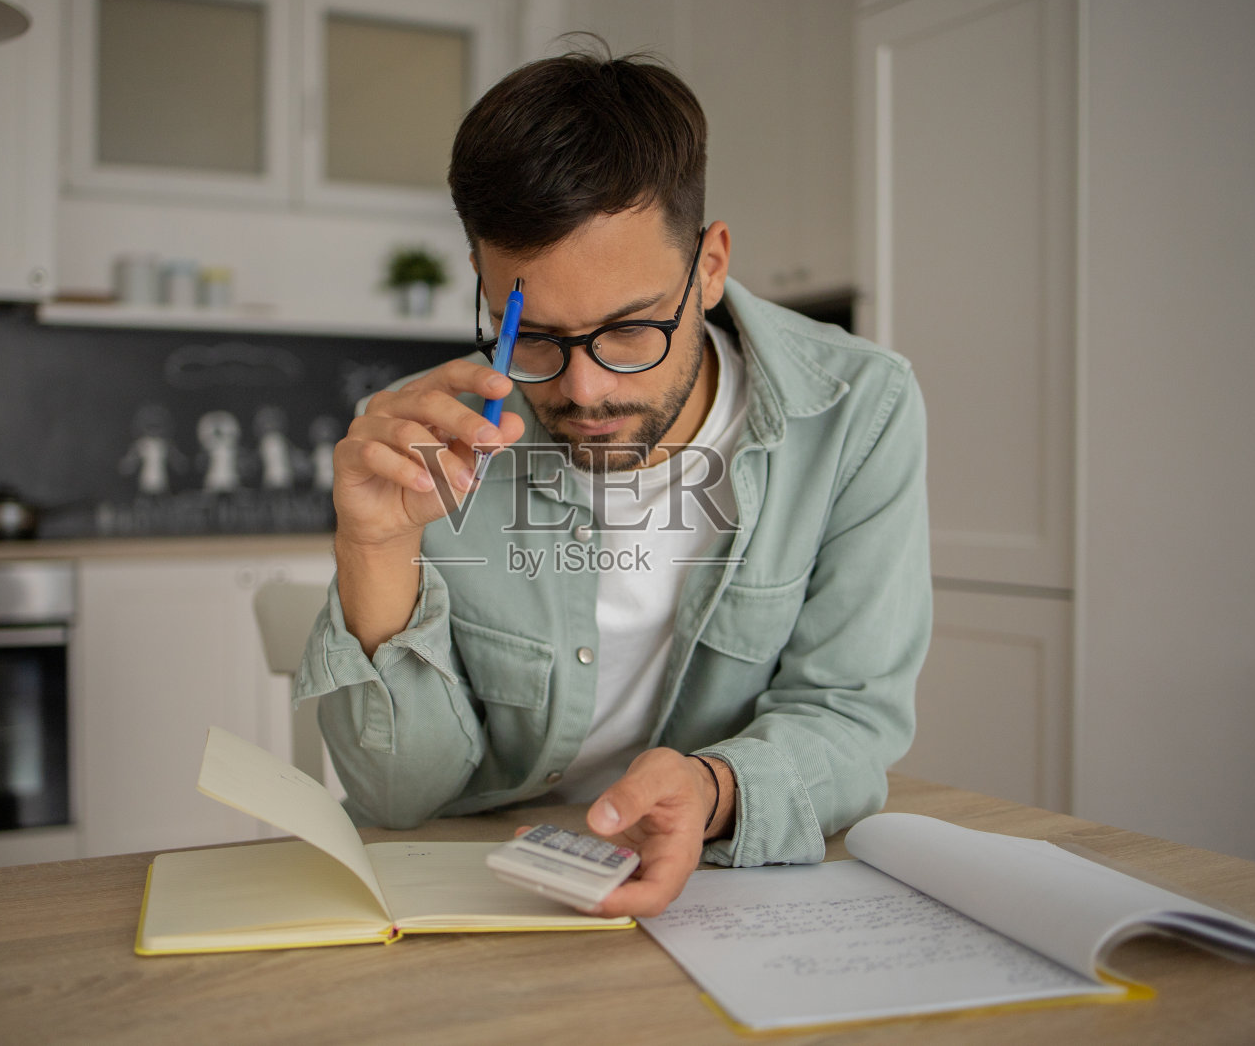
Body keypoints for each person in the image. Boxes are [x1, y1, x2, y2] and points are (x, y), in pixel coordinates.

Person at [295, 48, 930, 919]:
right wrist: (374, 546)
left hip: (725, 892)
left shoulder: (858, 410)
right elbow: (398, 800)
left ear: (709, 267)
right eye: (534, 334)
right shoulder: (425, 446)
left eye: (630, 331)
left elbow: (850, 721)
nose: (582, 390)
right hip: (472, 893)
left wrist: (712, 788)